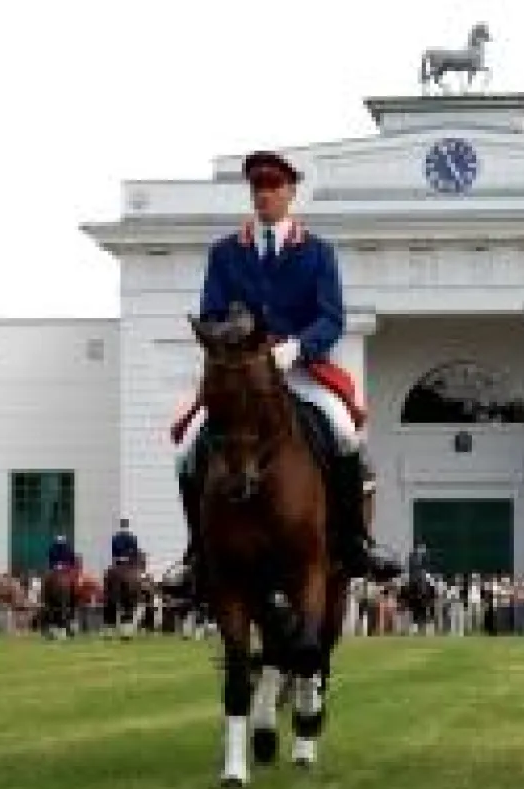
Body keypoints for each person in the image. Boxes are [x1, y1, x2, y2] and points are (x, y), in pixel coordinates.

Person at [163, 150, 402, 592]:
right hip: (242, 374)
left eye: (274, 187)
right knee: (187, 448)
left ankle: (355, 541)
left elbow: (331, 317)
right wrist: (238, 335)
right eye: (258, 187)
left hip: (300, 370)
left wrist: (297, 346)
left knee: (345, 434)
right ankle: (196, 553)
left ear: (291, 192)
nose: (265, 195)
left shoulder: (317, 252)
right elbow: (211, 313)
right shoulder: (225, 253)